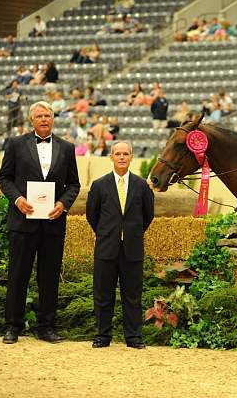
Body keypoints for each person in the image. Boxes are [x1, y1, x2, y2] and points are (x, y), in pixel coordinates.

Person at [0, 101, 81, 344]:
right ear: (31, 120)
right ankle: (13, 326)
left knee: (49, 277)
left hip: (53, 224)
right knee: (17, 276)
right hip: (22, 223)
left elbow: (73, 184)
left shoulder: (67, 148)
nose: (44, 119)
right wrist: (17, 199)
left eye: (48, 116)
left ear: (53, 119)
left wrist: (63, 204)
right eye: (39, 116)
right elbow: (4, 178)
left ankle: (46, 327)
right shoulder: (15, 144)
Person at [86, 140, 154, 349]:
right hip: (106, 248)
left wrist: (131, 234)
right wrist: (107, 233)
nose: (122, 157)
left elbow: (148, 215)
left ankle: (133, 338)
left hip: (132, 250)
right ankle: (102, 336)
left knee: (132, 296)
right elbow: (92, 215)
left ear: (131, 157)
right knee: (103, 294)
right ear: (111, 157)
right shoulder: (99, 185)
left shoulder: (142, 186)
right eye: (118, 154)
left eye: (126, 154)